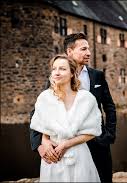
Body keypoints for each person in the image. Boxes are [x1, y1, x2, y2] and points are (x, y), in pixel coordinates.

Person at [30, 33, 117, 183]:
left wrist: (108, 135)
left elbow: (109, 107)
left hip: (96, 141)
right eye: (83, 49)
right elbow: (39, 112)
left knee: (102, 178)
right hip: (63, 147)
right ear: (69, 52)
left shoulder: (97, 76)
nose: (88, 53)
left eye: (88, 49)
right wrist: (40, 144)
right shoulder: (56, 78)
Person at [30, 54, 102, 182]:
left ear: (72, 73)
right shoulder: (44, 98)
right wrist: (45, 141)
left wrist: (66, 145)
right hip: (52, 157)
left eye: (62, 69)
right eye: (54, 69)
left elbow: (92, 131)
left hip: (79, 155)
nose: (56, 73)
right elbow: (40, 125)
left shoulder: (86, 99)